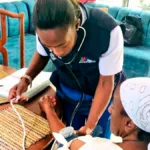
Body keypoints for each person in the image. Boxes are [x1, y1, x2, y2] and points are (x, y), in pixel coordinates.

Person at [8, 0, 124, 137]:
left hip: (101, 95)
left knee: (98, 137)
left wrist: (89, 126)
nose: (56, 53)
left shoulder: (107, 31)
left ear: (77, 24)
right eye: (49, 46)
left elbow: (105, 82)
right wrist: (26, 79)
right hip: (69, 91)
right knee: (69, 132)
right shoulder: (43, 28)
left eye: (62, 45)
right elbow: (42, 53)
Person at [39, 77, 150, 150]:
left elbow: (65, 138)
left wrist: (48, 110)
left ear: (129, 124)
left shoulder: (96, 147)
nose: (109, 109)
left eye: (114, 105)